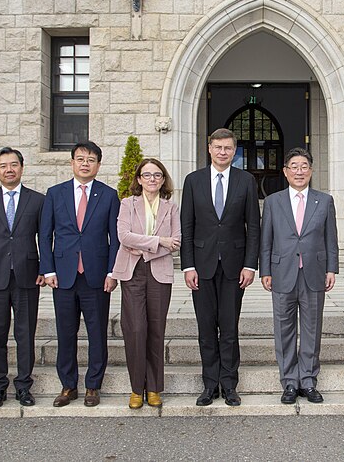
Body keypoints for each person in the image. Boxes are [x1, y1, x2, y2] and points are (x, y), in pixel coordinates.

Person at [180, 128, 261, 407]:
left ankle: (229, 385)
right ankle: (209, 385)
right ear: (209, 148)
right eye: (218, 147)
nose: (223, 152)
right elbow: (187, 226)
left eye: (228, 148)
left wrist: (251, 264)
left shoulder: (246, 180)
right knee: (205, 329)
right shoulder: (193, 181)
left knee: (229, 328)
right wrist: (187, 265)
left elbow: (254, 226)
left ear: (234, 150)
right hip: (200, 268)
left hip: (233, 267)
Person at [39, 141, 120, 408]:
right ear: (72, 162)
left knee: (97, 333)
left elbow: (115, 238)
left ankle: (93, 385)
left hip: (96, 276)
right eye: (80, 159)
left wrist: (112, 272)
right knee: (65, 332)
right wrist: (48, 269)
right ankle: (68, 385)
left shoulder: (108, 195)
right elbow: (45, 235)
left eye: (91, 159)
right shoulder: (55, 193)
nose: (85, 163)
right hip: (63, 276)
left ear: (98, 164)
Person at [259, 148, 338, 404]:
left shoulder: (324, 201)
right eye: (294, 166)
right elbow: (266, 239)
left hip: (314, 273)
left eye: (304, 166)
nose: (299, 171)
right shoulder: (273, 201)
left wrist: (331, 269)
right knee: (284, 330)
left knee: (312, 329)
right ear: (285, 171)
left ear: (311, 171)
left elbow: (330, 238)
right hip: (282, 273)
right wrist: (266, 271)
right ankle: (289, 382)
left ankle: (308, 381)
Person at [0, 147, 45, 409]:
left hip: (27, 277)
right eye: (4, 165)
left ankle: (24, 386)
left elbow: (44, 239)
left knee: (25, 334)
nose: (9, 169)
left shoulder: (37, 200)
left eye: (14, 165)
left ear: (22, 168)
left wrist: (44, 269)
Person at [112, 159, 181, 409]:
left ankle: (153, 388)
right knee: (135, 329)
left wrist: (145, 246)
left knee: (155, 330)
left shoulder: (170, 207)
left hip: (159, 273)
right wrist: (158, 241)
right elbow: (123, 236)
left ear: (163, 180)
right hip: (132, 273)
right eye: (147, 175)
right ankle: (135, 388)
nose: (152, 179)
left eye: (157, 175)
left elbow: (175, 242)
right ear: (139, 179)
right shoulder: (127, 204)